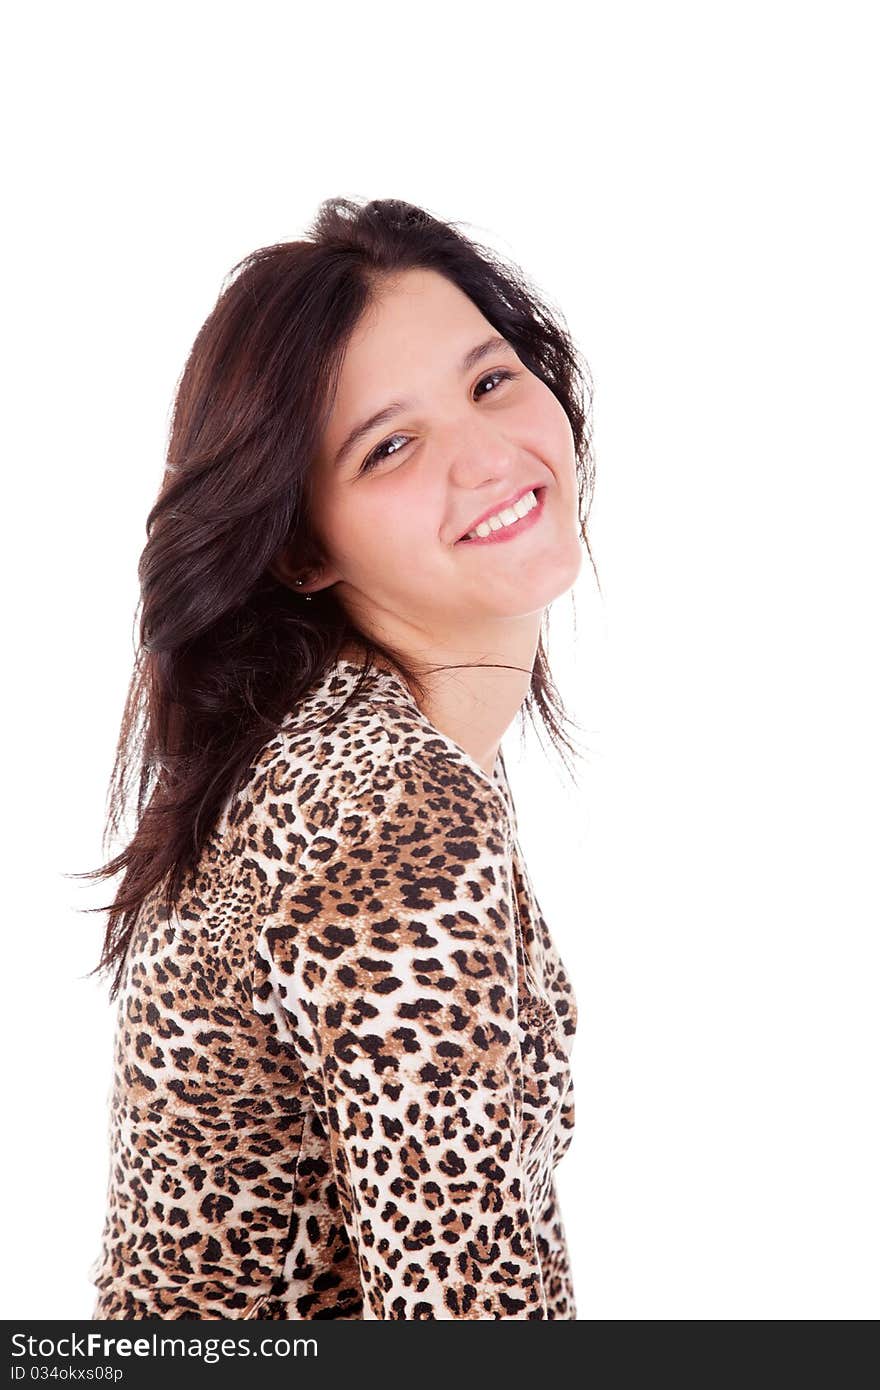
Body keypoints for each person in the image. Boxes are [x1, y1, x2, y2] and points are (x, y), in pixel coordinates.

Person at [80, 195, 598, 1319]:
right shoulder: (396, 812)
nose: (486, 454)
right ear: (305, 547)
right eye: (391, 445)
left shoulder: (351, 737)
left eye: (491, 380)